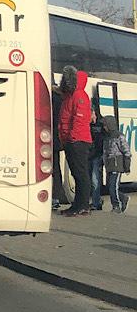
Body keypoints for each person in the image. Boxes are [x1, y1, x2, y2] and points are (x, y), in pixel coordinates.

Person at [58, 67, 92, 216]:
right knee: (77, 174)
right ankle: (78, 205)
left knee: (80, 174)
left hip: (77, 141)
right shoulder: (70, 96)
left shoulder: (79, 96)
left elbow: (79, 119)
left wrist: (71, 137)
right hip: (72, 140)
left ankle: (82, 205)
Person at [102, 116, 131, 213]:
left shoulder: (119, 136)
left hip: (117, 165)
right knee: (109, 187)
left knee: (113, 186)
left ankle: (116, 206)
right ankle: (123, 198)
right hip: (109, 166)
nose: (104, 127)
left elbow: (126, 152)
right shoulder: (106, 137)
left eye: (105, 125)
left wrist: (127, 167)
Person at [89, 106, 106, 211]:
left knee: (95, 180)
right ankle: (96, 201)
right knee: (91, 180)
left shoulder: (101, 125)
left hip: (97, 156)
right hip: (89, 155)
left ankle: (96, 202)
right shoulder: (87, 125)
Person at [51, 86, 65, 209]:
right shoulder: (61, 98)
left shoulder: (49, 97)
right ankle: (56, 197)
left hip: (47, 137)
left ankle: (54, 197)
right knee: (56, 168)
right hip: (56, 139)